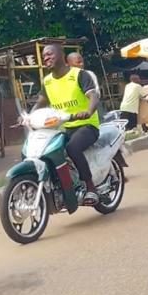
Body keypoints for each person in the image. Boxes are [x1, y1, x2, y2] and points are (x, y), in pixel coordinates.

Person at [33, 44, 102, 204]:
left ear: (61, 55)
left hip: (87, 125)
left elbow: (93, 96)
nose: (46, 58)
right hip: (64, 127)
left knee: (72, 147)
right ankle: (64, 186)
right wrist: (28, 116)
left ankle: (91, 188)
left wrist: (89, 111)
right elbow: (41, 102)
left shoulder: (79, 74)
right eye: (44, 56)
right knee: (47, 150)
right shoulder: (47, 81)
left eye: (50, 54)